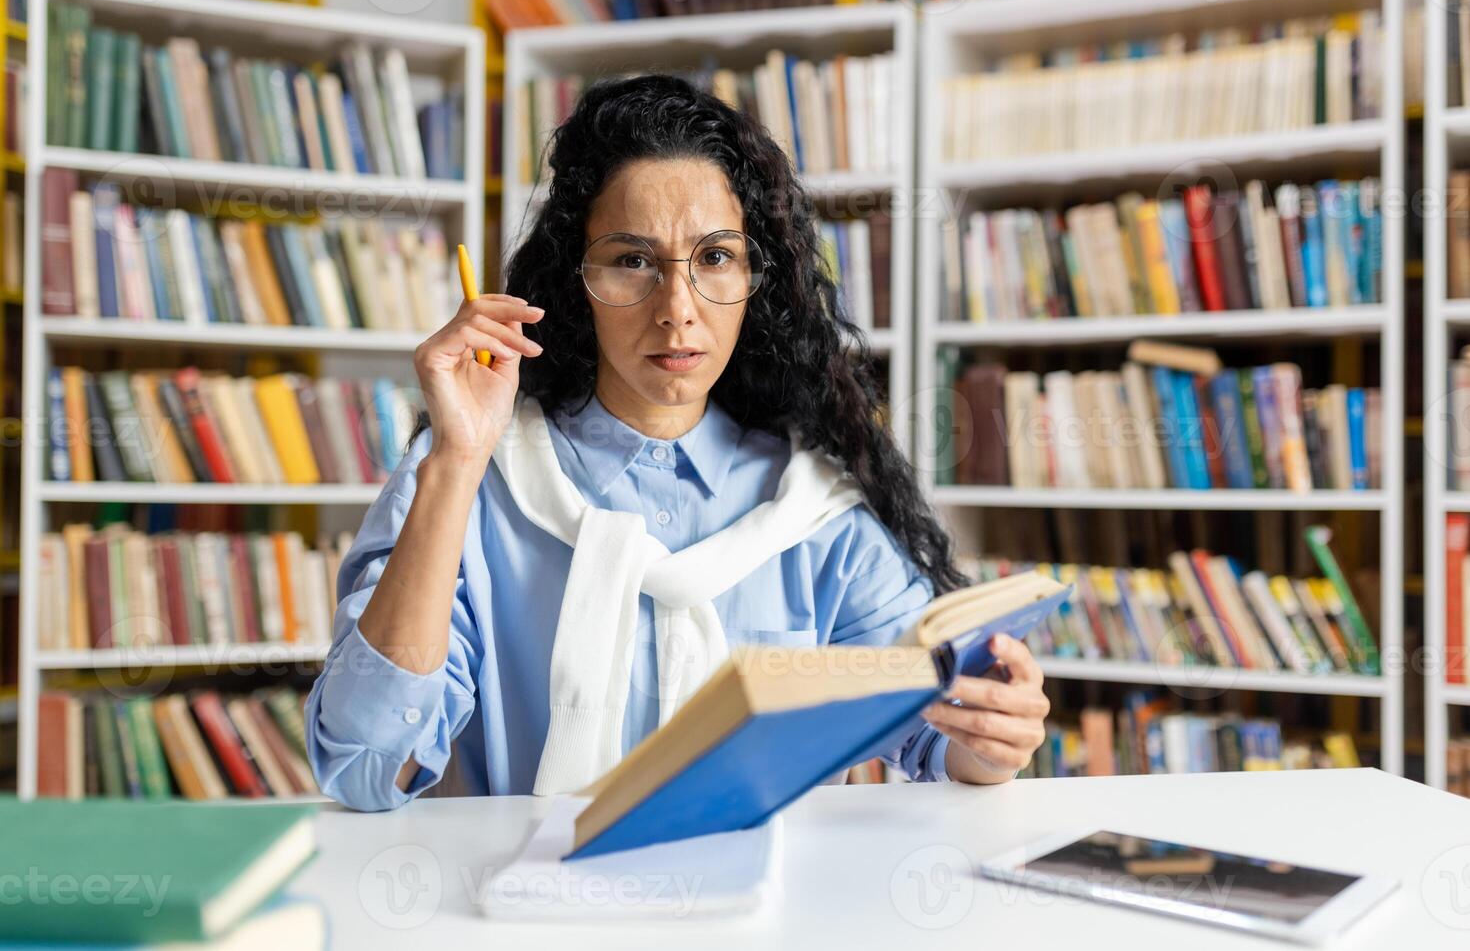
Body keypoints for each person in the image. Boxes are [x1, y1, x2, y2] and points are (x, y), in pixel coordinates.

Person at [305, 74, 1050, 810]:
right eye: (632, 260)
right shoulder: (468, 482)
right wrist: (458, 457)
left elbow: (937, 739)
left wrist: (992, 737)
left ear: (757, 278)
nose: (677, 310)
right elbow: (369, 768)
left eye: (715, 258)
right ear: (577, 281)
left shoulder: (814, 511)